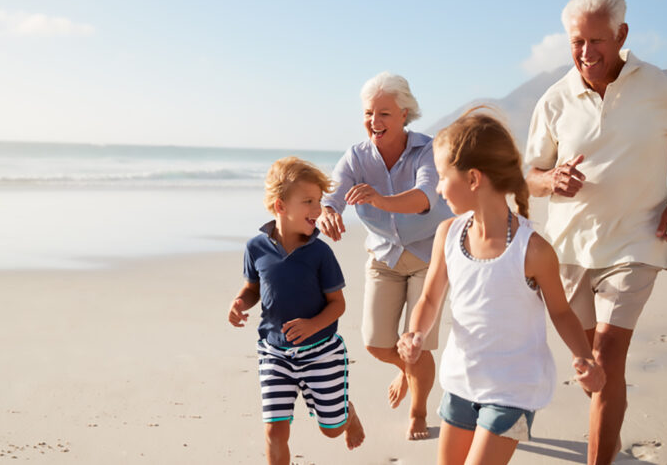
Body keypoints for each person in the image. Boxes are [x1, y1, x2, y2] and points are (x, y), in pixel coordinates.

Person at [525, 0, 667, 465]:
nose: (586, 53)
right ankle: (608, 429)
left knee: (606, 360)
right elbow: (528, 175)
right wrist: (550, 179)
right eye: (576, 42)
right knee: (593, 370)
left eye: (596, 41)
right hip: (568, 250)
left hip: (636, 243)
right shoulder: (554, 99)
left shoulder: (662, 86)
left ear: (622, 35)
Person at [397, 109, 606, 465]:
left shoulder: (533, 250)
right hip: (461, 382)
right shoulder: (449, 234)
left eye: (443, 176)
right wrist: (415, 332)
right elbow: (430, 297)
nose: (437, 186)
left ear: (474, 178)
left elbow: (561, 311)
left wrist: (585, 357)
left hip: (513, 391)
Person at [317, 72, 453, 440]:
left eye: (385, 114)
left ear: (405, 113)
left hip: (429, 256)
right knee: (377, 343)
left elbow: (426, 196)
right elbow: (332, 194)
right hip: (384, 258)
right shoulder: (356, 157)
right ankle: (407, 368)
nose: (374, 122)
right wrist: (328, 211)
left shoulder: (428, 150)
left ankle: (419, 413)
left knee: (415, 343)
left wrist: (379, 199)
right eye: (368, 113)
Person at [227, 156, 365, 465]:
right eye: (308, 202)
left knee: (332, 429)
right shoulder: (256, 248)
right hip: (274, 353)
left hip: (322, 352)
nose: (318, 210)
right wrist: (239, 303)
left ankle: (347, 412)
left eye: (319, 201)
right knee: (275, 431)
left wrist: (313, 325)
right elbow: (252, 288)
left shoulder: (320, 253)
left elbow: (338, 304)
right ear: (280, 206)